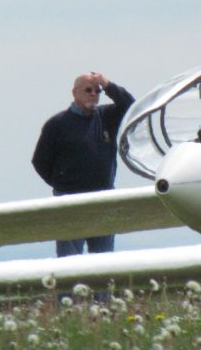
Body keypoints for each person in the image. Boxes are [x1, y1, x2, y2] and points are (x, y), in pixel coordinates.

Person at [32, 71, 135, 256]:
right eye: (88, 90)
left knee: (104, 263)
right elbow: (40, 161)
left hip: (103, 200)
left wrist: (108, 84)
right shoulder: (57, 124)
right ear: (75, 93)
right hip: (69, 202)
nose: (93, 94)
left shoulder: (106, 117)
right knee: (69, 264)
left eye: (97, 90)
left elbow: (130, 105)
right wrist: (62, 183)